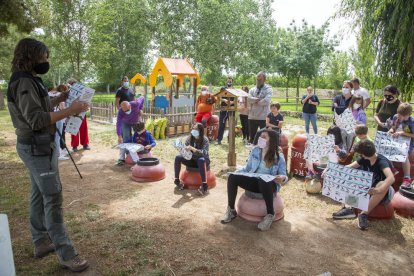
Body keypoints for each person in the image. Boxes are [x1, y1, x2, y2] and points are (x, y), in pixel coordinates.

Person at [7, 38, 89, 272]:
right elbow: (36, 119)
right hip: (36, 147)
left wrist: (61, 98)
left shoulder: (30, 80)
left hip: (41, 146)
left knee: (37, 193)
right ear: (31, 56)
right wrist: (70, 111)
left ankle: (41, 241)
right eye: (44, 57)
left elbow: (40, 105)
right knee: (52, 196)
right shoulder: (22, 82)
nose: (46, 61)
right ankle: (66, 253)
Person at [221, 130, 288, 231]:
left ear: (271, 140)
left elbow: (284, 175)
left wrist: (282, 178)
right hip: (254, 181)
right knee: (232, 177)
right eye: (260, 136)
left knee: (263, 180)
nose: (261, 138)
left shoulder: (278, 156)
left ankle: (270, 214)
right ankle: (231, 210)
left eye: (264, 137)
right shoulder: (255, 150)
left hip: (269, 185)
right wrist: (236, 172)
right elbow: (247, 168)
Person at [332, 140, 395, 230]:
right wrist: (331, 170)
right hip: (368, 190)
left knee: (381, 184)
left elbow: (391, 178)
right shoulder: (364, 159)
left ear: (364, 154)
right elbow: (348, 168)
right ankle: (349, 208)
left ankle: (364, 214)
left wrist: (379, 190)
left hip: (382, 193)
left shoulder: (382, 161)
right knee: (350, 174)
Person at [174, 123, 210, 195]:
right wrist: (182, 148)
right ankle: (177, 180)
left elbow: (205, 153)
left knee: (201, 160)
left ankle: (204, 185)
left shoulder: (205, 139)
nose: (193, 130)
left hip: (202, 160)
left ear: (200, 130)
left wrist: (193, 149)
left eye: (196, 129)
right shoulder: (189, 138)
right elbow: (185, 153)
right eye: (193, 128)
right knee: (178, 157)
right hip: (191, 159)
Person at [387, 103, 414, 188]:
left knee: (403, 154)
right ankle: (391, 169)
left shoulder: (412, 121)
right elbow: (393, 127)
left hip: (408, 141)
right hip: (396, 139)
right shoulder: (396, 117)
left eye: (402, 116)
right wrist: (391, 130)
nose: (399, 117)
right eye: (399, 114)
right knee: (384, 149)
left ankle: (407, 178)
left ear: (408, 115)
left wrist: (403, 133)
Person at [247, 72, 273, 144]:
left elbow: (267, 100)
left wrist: (257, 101)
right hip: (252, 117)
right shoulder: (252, 89)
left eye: (260, 79)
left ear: (264, 79)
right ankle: (252, 153)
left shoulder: (269, 89)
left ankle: (263, 154)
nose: (258, 81)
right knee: (252, 138)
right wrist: (257, 99)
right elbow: (248, 99)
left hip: (263, 117)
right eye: (257, 79)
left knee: (264, 137)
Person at [67, 78, 91, 152]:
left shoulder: (82, 90)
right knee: (74, 128)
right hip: (73, 112)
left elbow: (87, 100)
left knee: (83, 128)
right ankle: (74, 146)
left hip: (82, 111)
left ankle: (85, 144)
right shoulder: (68, 92)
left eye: (75, 84)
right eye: (72, 84)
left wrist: (87, 106)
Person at [48, 85, 69, 161]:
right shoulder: (60, 95)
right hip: (58, 117)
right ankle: (58, 155)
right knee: (58, 137)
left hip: (49, 116)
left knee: (52, 136)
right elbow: (62, 107)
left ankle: (56, 153)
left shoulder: (49, 93)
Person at [217, 77, 234, 145]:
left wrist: (231, 102)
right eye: (228, 81)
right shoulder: (223, 88)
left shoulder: (234, 89)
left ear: (232, 82)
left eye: (230, 81)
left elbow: (237, 99)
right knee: (222, 124)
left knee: (231, 125)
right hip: (223, 109)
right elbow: (219, 97)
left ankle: (230, 140)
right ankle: (219, 139)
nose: (229, 82)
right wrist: (224, 100)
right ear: (226, 81)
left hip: (232, 109)